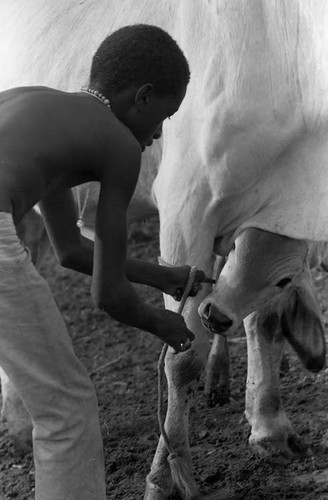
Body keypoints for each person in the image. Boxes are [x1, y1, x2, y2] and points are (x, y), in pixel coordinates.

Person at [0, 24, 207, 499]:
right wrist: (164, 325)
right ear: (143, 97)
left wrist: (163, 277)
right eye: (165, 117)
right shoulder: (117, 145)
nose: (156, 136)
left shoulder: (42, 107)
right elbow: (109, 296)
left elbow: (70, 248)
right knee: (66, 409)